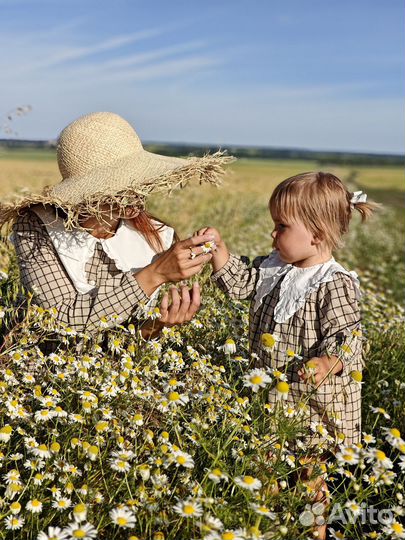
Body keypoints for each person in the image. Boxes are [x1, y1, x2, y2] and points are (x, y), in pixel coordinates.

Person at [195, 172, 378, 539]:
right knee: (264, 473)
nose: (273, 234)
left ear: (317, 234)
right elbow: (241, 283)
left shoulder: (333, 283)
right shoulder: (273, 267)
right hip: (270, 401)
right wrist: (218, 250)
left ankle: (315, 532)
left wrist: (328, 361)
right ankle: (273, 526)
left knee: (309, 482)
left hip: (311, 408)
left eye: (281, 226)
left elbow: (348, 336)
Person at [1, 112, 232, 341]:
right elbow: (63, 321)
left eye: (140, 179)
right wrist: (156, 273)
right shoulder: (36, 226)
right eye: (123, 184)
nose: (139, 193)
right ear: (87, 193)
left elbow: (123, 340)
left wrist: (158, 325)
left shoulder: (158, 236)